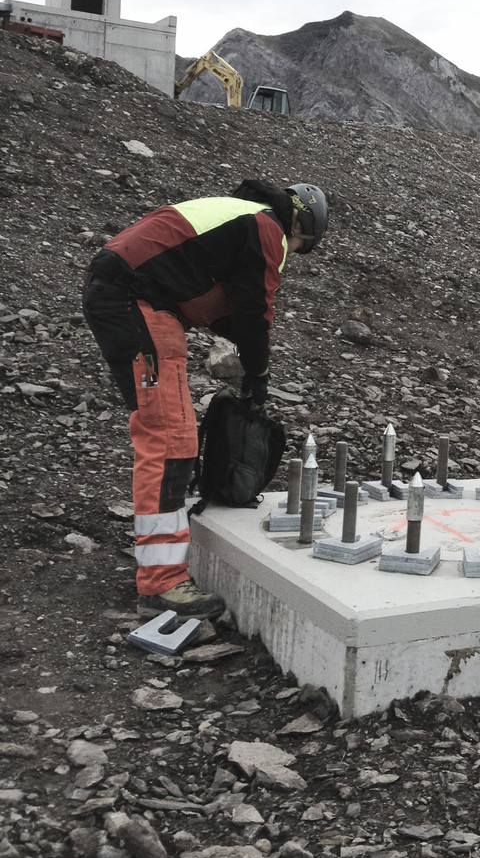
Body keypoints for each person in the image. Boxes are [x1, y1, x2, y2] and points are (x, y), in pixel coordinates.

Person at [82, 179, 328, 620]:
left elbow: (218, 307)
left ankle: (162, 564)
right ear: (300, 222)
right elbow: (255, 310)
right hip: (136, 303)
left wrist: (255, 367)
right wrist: (258, 373)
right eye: (301, 244)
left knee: (171, 436)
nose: (293, 252)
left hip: (133, 298)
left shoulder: (235, 216)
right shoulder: (268, 227)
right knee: (169, 440)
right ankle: (161, 583)